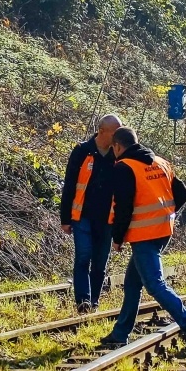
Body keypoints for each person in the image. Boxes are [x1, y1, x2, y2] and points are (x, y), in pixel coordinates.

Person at [101, 127, 186, 349]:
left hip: (144, 234)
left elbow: (124, 206)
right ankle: (120, 333)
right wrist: (163, 215)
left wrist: (117, 237)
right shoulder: (159, 162)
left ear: (118, 146)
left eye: (114, 148)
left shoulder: (124, 167)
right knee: (132, 283)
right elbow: (182, 194)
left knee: (155, 284)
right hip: (162, 231)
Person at [59, 113, 122, 312]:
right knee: (83, 257)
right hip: (82, 217)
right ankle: (83, 302)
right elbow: (69, 185)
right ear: (102, 131)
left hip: (107, 219)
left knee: (100, 262)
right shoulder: (82, 151)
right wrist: (65, 218)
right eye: (115, 132)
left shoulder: (119, 154)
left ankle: (94, 302)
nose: (118, 136)